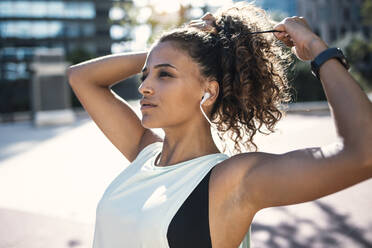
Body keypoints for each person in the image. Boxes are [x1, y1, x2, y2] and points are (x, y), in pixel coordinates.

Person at [67, 2, 372, 248]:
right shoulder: (144, 154)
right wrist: (175, 45)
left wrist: (318, 50)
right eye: (145, 75)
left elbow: (363, 154)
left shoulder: (233, 181)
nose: (144, 87)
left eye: (165, 75)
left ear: (209, 90)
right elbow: (80, 78)